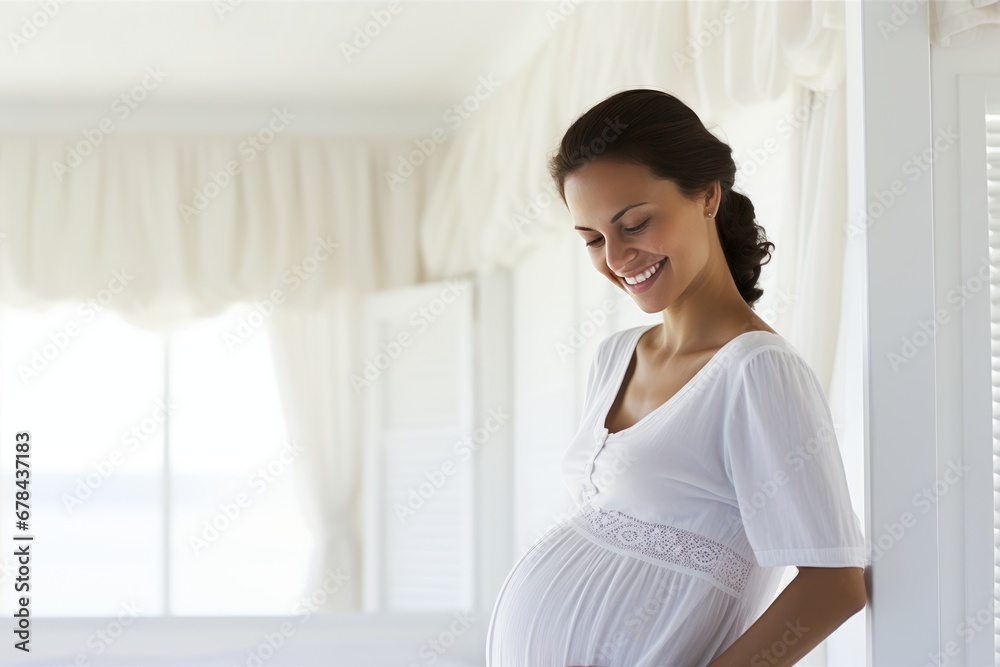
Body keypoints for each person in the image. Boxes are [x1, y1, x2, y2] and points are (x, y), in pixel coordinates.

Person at [485, 88, 868, 667]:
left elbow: (834, 586)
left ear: (708, 195)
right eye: (593, 240)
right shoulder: (616, 357)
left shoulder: (757, 370)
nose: (616, 258)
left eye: (635, 223)